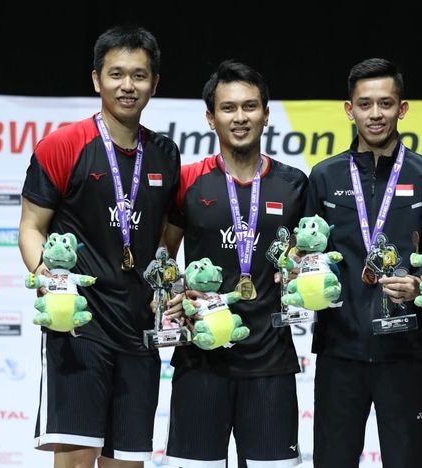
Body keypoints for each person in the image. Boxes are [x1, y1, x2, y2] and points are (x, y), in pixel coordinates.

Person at [18, 24, 180, 467]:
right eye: (116, 74)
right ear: (96, 79)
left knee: (127, 461)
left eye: (140, 75)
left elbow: (167, 233)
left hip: (139, 331)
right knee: (74, 459)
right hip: (79, 325)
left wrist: (165, 287)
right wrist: (47, 279)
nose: (128, 86)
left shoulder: (166, 154)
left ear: (154, 83)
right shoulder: (62, 145)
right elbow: (31, 227)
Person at [305, 58, 422, 467]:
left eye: (385, 104)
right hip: (340, 349)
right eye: (364, 104)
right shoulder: (324, 177)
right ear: (348, 109)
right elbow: (306, 257)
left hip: (404, 350)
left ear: (402, 108)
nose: (375, 114)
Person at [161, 60, 307, 467]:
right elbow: (163, 258)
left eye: (249, 106)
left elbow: (301, 257)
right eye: (228, 108)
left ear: (266, 113)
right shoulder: (187, 180)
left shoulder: (294, 184)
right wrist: (172, 297)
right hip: (201, 360)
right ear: (210, 117)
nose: (239, 117)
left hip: (270, 361)